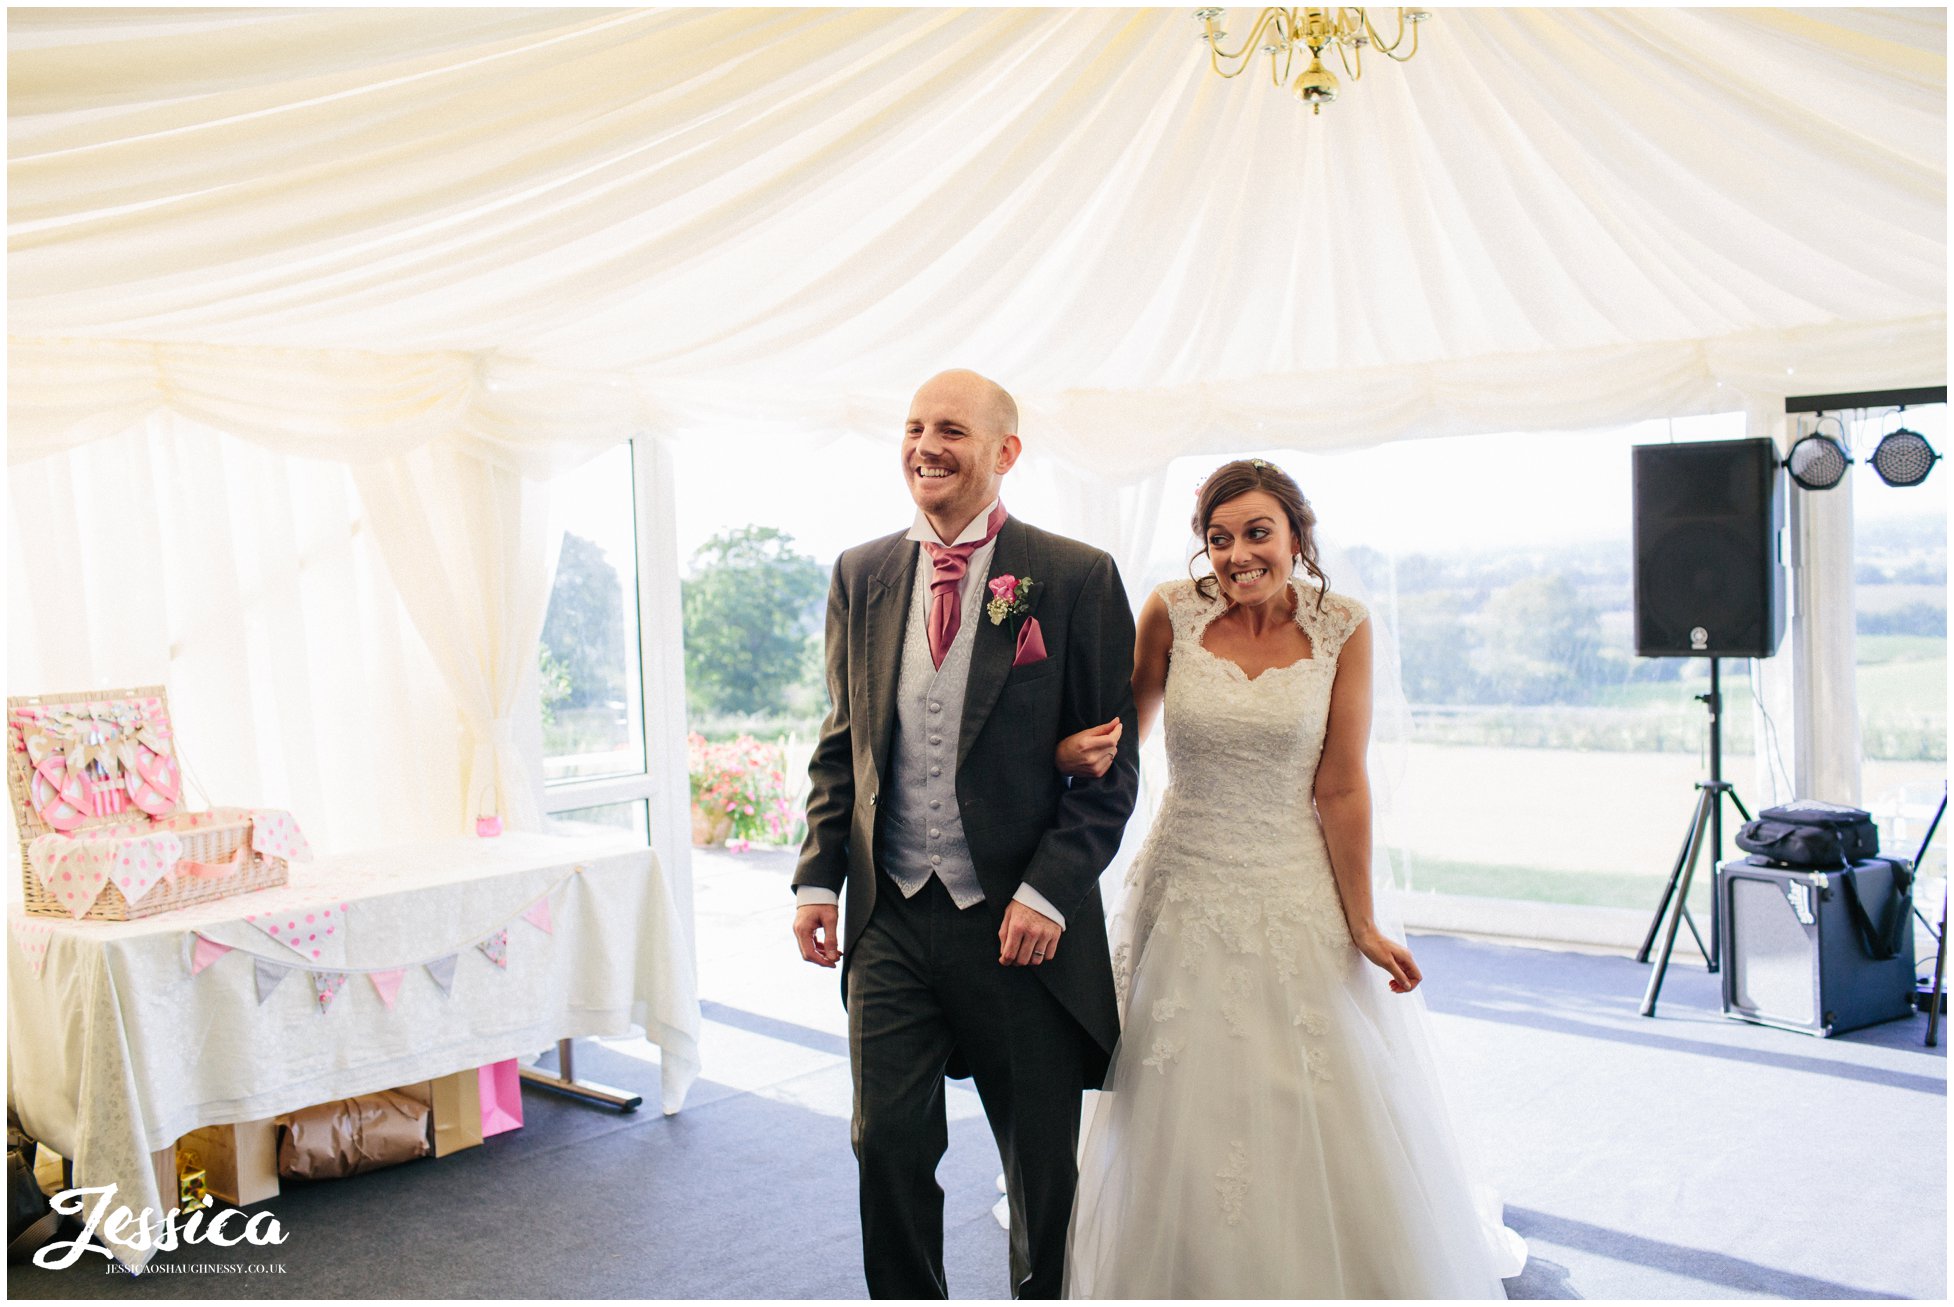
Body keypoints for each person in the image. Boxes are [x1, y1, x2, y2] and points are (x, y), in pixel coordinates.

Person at [1058, 458, 1526, 1299]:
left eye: (1257, 532)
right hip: (1188, 879)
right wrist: (1064, 752)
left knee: (1309, 1092)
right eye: (1219, 537)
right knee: (1182, 1097)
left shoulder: (1344, 625)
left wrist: (1365, 921)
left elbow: (1340, 782)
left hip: (1293, 883)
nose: (1238, 554)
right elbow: (1120, 730)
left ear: (1297, 535)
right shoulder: (1170, 609)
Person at [791, 369, 1141, 1299]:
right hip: (891, 915)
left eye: (949, 427)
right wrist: (817, 880)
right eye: (912, 426)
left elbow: (1110, 780)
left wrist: (1046, 893)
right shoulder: (860, 573)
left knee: (1040, 1164)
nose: (924, 445)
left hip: (1019, 926)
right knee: (886, 1143)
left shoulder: (1074, 577)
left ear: (1005, 451)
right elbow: (844, 745)